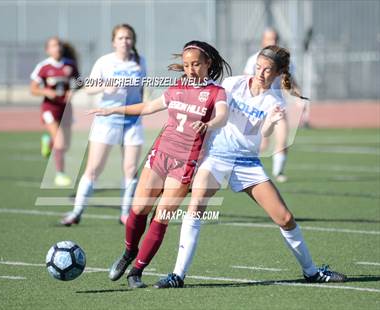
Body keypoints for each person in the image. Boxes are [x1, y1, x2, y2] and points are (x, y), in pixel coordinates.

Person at [154, 45, 346, 289]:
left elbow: (260, 132)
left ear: (278, 73)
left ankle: (312, 272)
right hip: (217, 156)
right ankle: (177, 276)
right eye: (258, 67)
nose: (261, 73)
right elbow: (210, 104)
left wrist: (272, 122)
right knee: (196, 206)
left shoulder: (274, 100)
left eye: (267, 70)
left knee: (285, 218)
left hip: (247, 162)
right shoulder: (233, 84)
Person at [90, 40, 231, 288]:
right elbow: (148, 107)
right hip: (161, 154)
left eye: (196, 64)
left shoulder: (216, 92)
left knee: (162, 216)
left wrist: (209, 124)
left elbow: (222, 115)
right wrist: (114, 111)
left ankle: (137, 271)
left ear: (208, 63)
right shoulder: (176, 87)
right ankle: (128, 252)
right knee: (139, 209)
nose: (190, 69)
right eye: (187, 65)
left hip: (186, 161)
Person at [61, 24, 147, 226]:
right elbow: (88, 88)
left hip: (132, 121)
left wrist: (141, 108)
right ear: (113, 41)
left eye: (128, 38)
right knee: (93, 169)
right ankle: (77, 212)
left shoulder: (140, 61)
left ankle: (125, 214)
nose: (125, 41)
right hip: (107, 120)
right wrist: (104, 86)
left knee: (131, 169)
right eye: (120, 38)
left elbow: (142, 89)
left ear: (133, 41)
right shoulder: (105, 62)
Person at [244, 28, 302, 183]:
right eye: (269, 39)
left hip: (276, 107)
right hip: (257, 107)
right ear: (263, 41)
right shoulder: (253, 60)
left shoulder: (284, 62)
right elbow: (246, 81)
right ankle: (242, 169)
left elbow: (289, 82)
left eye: (275, 38)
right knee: (261, 145)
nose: (273, 42)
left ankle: (278, 173)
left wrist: (298, 97)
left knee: (282, 139)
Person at [30, 37, 80, 186]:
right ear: (48, 50)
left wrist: (73, 90)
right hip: (49, 108)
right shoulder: (43, 67)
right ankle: (60, 174)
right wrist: (46, 91)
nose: (57, 48)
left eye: (58, 45)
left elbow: (79, 82)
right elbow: (33, 89)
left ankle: (48, 142)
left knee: (66, 144)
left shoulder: (69, 65)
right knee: (60, 141)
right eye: (53, 46)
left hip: (66, 107)